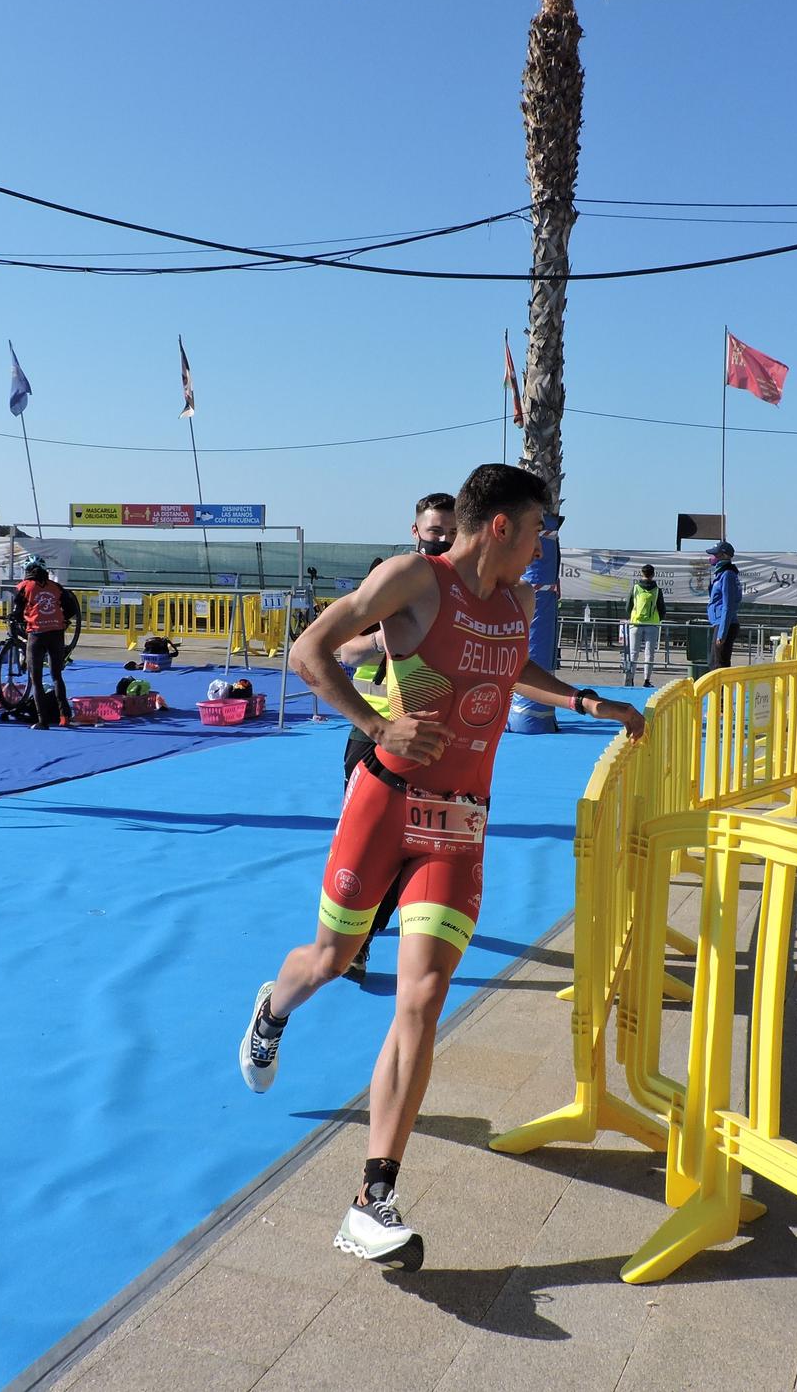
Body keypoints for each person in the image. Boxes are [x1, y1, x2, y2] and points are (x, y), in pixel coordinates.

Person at [238, 463, 644, 1269]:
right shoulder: (414, 580)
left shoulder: (515, 604)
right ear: (499, 526)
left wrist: (590, 703)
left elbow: (509, 670)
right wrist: (373, 725)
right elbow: (309, 650)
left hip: (461, 824)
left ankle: (371, 1200)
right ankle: (273, 1010)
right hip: (384, 806)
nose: (540, 546)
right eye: (535, 529)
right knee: (330, 960)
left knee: (422, 997)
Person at [333, 492, 459, 985]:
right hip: (375, 730)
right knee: (362, 839)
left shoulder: (468, 591)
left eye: (451, 531)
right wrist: (388, 638)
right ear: (415, 532)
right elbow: (343, 652)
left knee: (412, 840)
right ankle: (351, 934)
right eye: (434, 531)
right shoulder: (387, 582)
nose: (443, 539)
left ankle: (371, 936)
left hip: (436, 738)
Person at [12, 556, 80, 728]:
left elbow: (17, 612)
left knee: (36, 679)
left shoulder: (24, 587)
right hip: (56, 632)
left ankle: (42, 721)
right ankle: (65, 717)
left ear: (27, 571)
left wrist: (19, 620)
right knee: (57, 676)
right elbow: (72, 608)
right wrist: (61, 620)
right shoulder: (56, 587)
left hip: (37, 633)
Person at [625, 562, 663, 687]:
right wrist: (658, 619)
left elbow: (628, 605)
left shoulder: (635, 588)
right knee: (649, 654)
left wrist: (631, 616)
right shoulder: (657, 590)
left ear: (642, 573)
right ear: (653, 575)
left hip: (635, 623)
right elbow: (662, 608)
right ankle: (646, 680)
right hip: (652, 624)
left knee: (633, 653)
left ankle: (630, 679)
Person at [707, 541, 742, 669]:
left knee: (718, 664)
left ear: (724, 556)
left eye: (715, 554)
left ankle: (720, 689)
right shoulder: (721, 574)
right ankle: (717, 689)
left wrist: (722, 633)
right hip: (719, 621)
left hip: (725, 623)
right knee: (714, 663)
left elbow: (728, 605)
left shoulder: (727, 575)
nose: (712, 557)